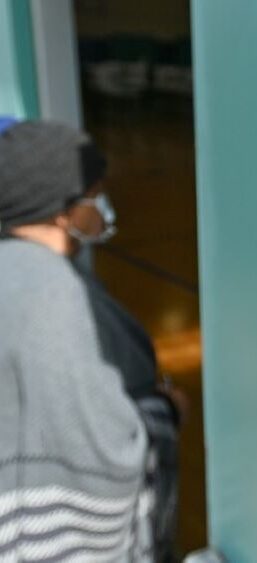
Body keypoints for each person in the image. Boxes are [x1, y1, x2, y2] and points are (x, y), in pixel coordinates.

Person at [0, 118, 180, 562]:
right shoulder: (48, 291)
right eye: (95, 193)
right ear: (62, 209)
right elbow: (96, 449)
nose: (103, 204)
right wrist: (165, 412)